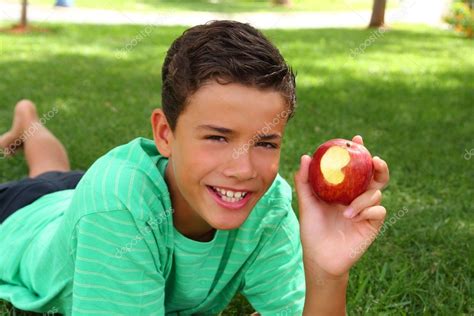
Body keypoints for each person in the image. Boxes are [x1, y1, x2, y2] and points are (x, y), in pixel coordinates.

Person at [0, 20, 389, 315]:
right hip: (21, 217)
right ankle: (27, 120)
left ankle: (27, 121)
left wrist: (327, 272)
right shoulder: (115, 208)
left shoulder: (268, 205)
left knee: (50, 171)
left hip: (85, 194)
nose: (243, 170)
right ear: (165, 135)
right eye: (218, 137)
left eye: (266, 142)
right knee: (44, 181)